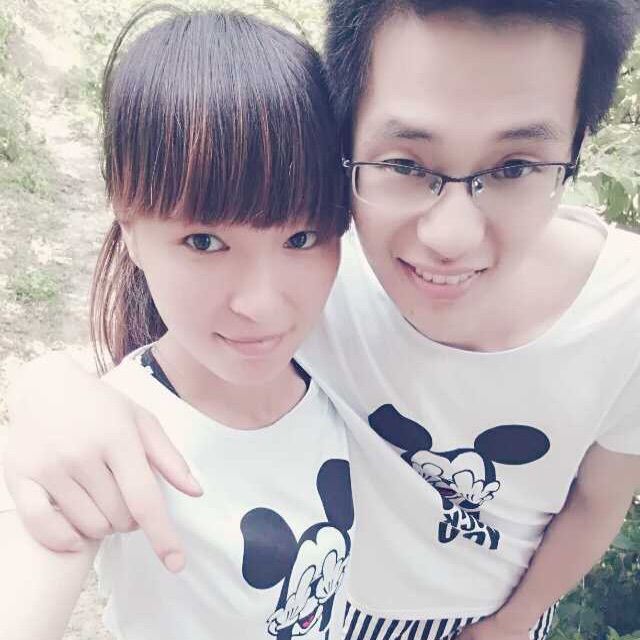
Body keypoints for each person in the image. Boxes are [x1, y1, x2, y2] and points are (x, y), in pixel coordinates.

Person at [4, 1, 640, 640]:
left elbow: (597, 501)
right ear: (346, 142)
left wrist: (511, 624)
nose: (449, 238)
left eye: (515, 167)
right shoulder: (325, 263)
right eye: (405, 164)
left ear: (578, 144)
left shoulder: (624, 308)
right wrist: (47, 391)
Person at [0, 6, 355, 640]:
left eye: (301, 237)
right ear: (129, 228)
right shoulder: (110, 439)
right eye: (204, 242)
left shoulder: (348, 363)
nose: (261, 304)